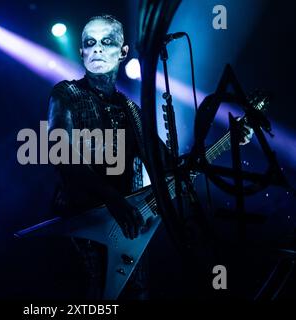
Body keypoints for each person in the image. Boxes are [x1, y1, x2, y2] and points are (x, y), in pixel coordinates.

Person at [47, 14, 252, 299]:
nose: (96, 49)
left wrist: (230, 139)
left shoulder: (131, 109)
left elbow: (173, 168)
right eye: (89, 43)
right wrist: (112, 197)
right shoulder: (66, 93)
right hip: (82, 226)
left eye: (106, 42)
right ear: (81, 51)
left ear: (123, 52)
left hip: (129, 230)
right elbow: (61, 155)